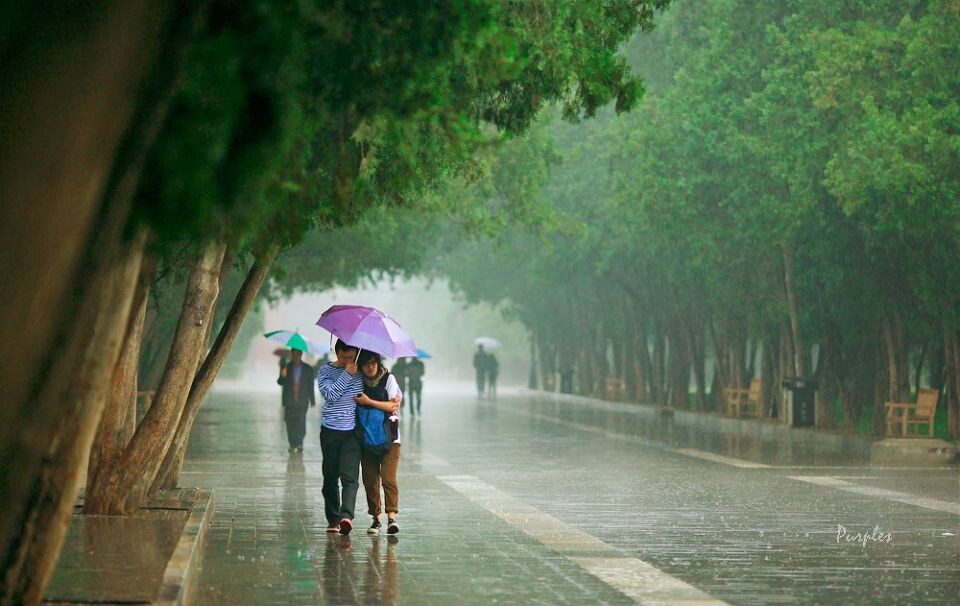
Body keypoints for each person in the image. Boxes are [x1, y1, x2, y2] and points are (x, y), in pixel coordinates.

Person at [316, 339, 363, 535]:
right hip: (330, 432)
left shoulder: (360, 371)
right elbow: (330, 395)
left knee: (350, 477)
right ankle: (333, 519)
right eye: (344, 357)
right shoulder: (325, 371)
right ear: (337, 353)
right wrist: (346, 374)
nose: (348, 360)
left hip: (352, 432)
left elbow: (376, 384)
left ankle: (346, 516)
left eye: (351, 357)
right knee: (330, 477)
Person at [355, 350, 403, 535]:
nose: (371, 366)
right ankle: (376, 519)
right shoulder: (357, 380)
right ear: (361, 365)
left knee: (388, 478)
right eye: (367, 363)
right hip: (366, 437)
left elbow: (393, 406)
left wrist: (369, 401)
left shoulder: (388, 379)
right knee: (370, 480)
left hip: (390, 437)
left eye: (374, 362)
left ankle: (392, 517)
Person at [277, 347, 316, 452]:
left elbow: (310, 386)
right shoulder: (286, 367)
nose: (295, 356)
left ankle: (299, 443)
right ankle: (292, 443)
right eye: (293, 354)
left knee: (300, 422)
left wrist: (312, 400)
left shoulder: (308, 369)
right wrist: (282, 375)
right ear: (291, 354)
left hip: (302, 401)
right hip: (289, 401)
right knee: (289, 422)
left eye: (297, 353)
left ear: (301, 354)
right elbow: (280, 382)